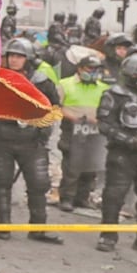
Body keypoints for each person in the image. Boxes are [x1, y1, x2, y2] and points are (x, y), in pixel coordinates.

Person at [0, 37, 62, 243]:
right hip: (1, 141)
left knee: (39, 184)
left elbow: (54, 107)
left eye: (19, 56)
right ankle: (4, 225)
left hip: (31, 141)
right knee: (2, 183)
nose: (14, 60)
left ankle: (38, 228)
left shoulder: (41, 81)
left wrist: (43, 131)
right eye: (11, 55)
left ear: (28, 58)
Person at [96, 53, 137, 252]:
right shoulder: (114, 94)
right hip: (122, 153)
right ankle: (108, 235)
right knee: (114, 195)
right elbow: (104, 124)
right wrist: (129, 140)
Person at [57, 55, 109, 212]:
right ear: (80, 69)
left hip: (94, 132)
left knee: (91, 165)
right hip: (72, 129)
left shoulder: (103, 88)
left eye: (96, 70)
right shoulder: (65, 84)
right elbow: (54, 107)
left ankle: (82, 197)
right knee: (72, 165)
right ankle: (67, 197)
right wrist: (73, 117)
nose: (93, 73)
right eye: (90, 69)